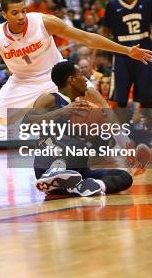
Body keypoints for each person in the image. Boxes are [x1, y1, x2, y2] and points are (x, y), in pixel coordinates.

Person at [0, 0, 152, 191]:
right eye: (15, 12)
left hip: (56, 74)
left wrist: (127, 51)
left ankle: (130, 152)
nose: (21, 16)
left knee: (99, 101)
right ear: (4, 15)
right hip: (21, 83)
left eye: (23, 10)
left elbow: (86, 38)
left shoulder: (43, 22)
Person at [31, 61, 137, 197]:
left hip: (78, 169)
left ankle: (91, 186)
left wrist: (126, 146)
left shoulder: (84, 102)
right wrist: (64, 111)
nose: (86, 80)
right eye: (81, 75)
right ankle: (54, 174)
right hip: (49, 162)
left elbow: (109, 116)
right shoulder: (49, 98)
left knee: (124, 177)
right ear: (72, 80)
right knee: (69, 144)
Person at [102, 0, 152, 152]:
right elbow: (104, 31)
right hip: (122, 54)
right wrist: (98, 56)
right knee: (121, 100)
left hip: (144, 52)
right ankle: (121, 141)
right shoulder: (112, 4)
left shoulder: (149, 1)